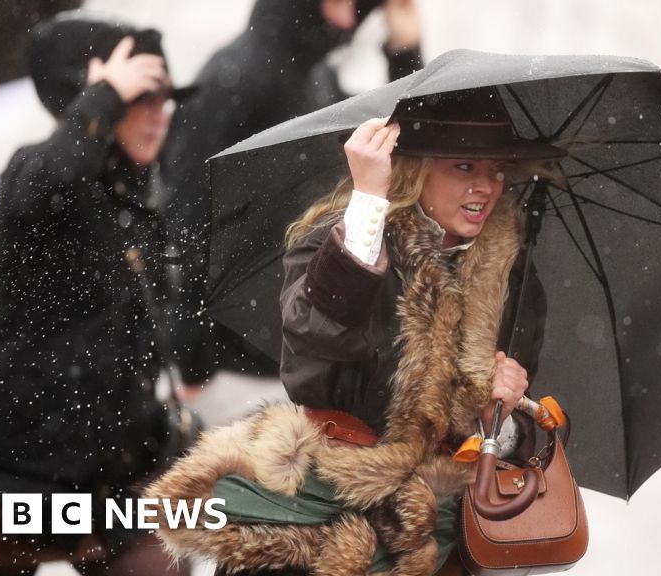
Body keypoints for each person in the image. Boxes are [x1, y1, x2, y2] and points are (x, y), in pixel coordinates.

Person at [145, 88, 563, 575]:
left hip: (436, 527)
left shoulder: (513, 279)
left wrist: (504, 416)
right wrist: (369, 198)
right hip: (318, 508)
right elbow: (313, 341)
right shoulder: (343, 240)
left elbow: (517, 430)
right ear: (415, 167)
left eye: (495, 171)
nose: (486, 187)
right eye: (464, 168)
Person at [0, 13, 190, 575]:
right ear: (93, 94)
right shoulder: (38, 170)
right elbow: (44, 184)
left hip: (113, 471)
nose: (157, 115)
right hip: (8, 469)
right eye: (139, 98)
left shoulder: (136, 195)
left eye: (164, 99)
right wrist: (100, 99)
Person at [159, 0, 423, 389]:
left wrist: (404, 53)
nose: (352, 18)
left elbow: (391, 136)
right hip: (231, 367)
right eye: (342, 3)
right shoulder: (238, 76)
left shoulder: (315, 75)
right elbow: (187, 218)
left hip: (294, 349)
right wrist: (192, 361)